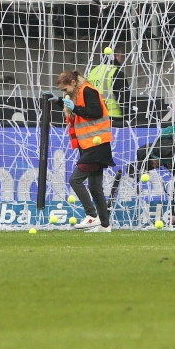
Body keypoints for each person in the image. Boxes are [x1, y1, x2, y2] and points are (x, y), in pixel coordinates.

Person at [58, 70, 115, 232]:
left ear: (74, 83)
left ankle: (91, 215)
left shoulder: (88, 91)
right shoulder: (76, 94)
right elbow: (79, 111)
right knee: (95, 187)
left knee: (75, 180)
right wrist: (57, 101)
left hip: (96, 146)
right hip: (90, 146)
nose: (64, 93)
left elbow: (95, 112)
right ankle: (104, 225)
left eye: (65, 90)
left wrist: (75, 108)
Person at [87, 49, 129, 124]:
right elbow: (124, 97)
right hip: (114, 117)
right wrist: (129, 116)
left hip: (94, 117)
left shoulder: (92, 72)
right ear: (117, 56)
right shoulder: (116, 72)